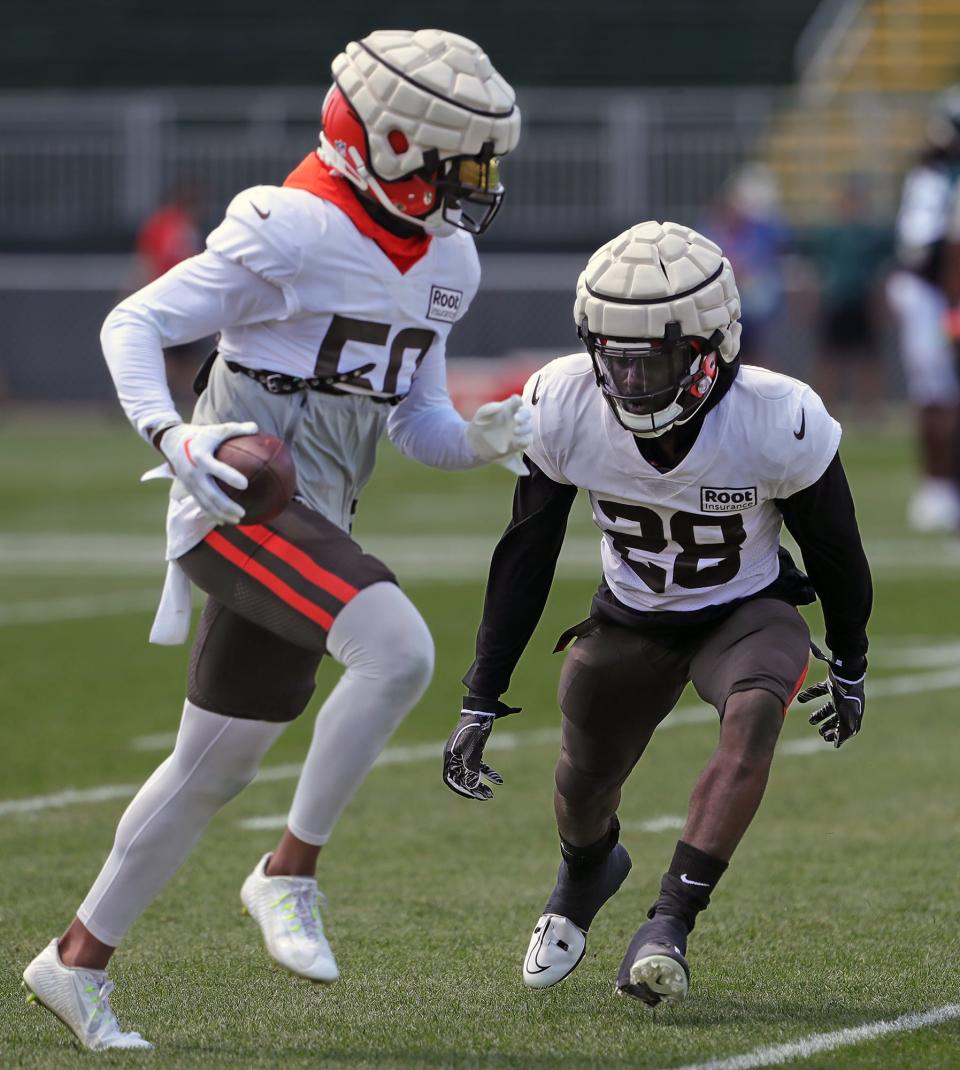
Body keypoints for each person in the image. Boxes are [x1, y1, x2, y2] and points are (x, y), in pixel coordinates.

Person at [22, 28, 527, 1051]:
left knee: (209, 766)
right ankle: (289, 869)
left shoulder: (447, 258)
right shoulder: (293, 228)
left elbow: (415, 422)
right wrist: (175, 434)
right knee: (400, 650)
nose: (476, 183)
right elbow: (134, 324)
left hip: (315, 521)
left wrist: (484, 436)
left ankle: (74, 960)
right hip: (236, 507)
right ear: (389, 143)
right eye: (458, 163)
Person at [442, 221, 871, 1007]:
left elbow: (838, 553)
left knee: (753, 718)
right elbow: (526, 552)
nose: (634, 381)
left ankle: (670, 920)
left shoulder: (777, 416)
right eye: (618, 359)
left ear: (712, 348)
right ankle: (586, 871)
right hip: (631, 616)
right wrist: (481, 692)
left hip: (746, 611)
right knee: (580, 780)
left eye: (656, 359)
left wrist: (849, 662)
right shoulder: (566, 400)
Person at [886, 87, 960, 531]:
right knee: (939, 391)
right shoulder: (936, 177)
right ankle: (939, 487)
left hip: (934, 291)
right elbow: (932, 252)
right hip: (932, 294)